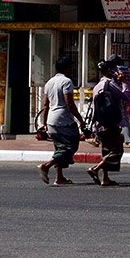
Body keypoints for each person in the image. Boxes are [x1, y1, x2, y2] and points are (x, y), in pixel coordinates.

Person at [37, 56, 83, 186]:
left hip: (52, 119)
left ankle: (59, 177)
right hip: (63, 119)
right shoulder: (66, 82)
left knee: (59, 148)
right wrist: (80, 119)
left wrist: (45, 123)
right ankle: (46, 166)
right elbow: (69, 103)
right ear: (67, 68)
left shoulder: (49, 82)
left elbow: (45, 105)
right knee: (71, 146)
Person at [87, 57, 127, 187]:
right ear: (110, 71)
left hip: (100, 124)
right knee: (117, 151)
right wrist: (124, 82)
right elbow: (126, 96)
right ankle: (96, 169)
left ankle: (106, 178)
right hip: (111, 123)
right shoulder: (110, 84)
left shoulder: (97, 86)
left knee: (106, 150)